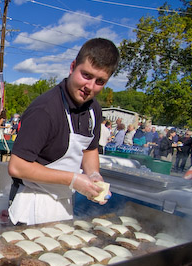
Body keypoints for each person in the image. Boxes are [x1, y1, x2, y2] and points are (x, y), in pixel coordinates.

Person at [8, 38, 119, 225]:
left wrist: (93, 175)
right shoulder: (45, 110)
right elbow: (17, 166)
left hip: (64, 204)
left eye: (100, 81)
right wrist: (74, 179)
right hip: (33, 204)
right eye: (86, 75)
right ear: (73, 67)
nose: (90, 87)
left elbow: (90, 149)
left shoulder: (94, 110)